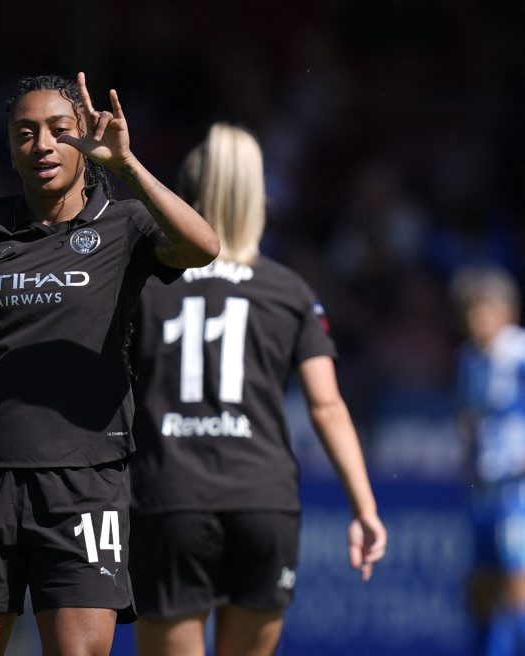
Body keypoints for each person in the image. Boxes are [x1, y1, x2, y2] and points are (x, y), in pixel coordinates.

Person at [0, 71, 220, 656]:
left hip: (84, 483)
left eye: (60, 130)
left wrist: (127, 165)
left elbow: (203, 246)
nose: (43, 145)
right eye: (25, 132)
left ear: (85, 139)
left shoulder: (124, 224)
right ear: (10, 147)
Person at [127, 123, 387, 656]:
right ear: (257, 202)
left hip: (170, 499)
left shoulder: (146, 285)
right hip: (263, 504)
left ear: (187, 194)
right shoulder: (290, 291)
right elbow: (327, 405)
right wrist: (365, 508)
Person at [451, 266, 525, 656]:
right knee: (480, 585)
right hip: (485, 488)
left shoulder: (520, 355)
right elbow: (469, 416)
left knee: (517, 582)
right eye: (470, 311)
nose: (476, 319)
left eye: (484, 309)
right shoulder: (470, 359)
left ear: (506, 311)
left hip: (517, 489)